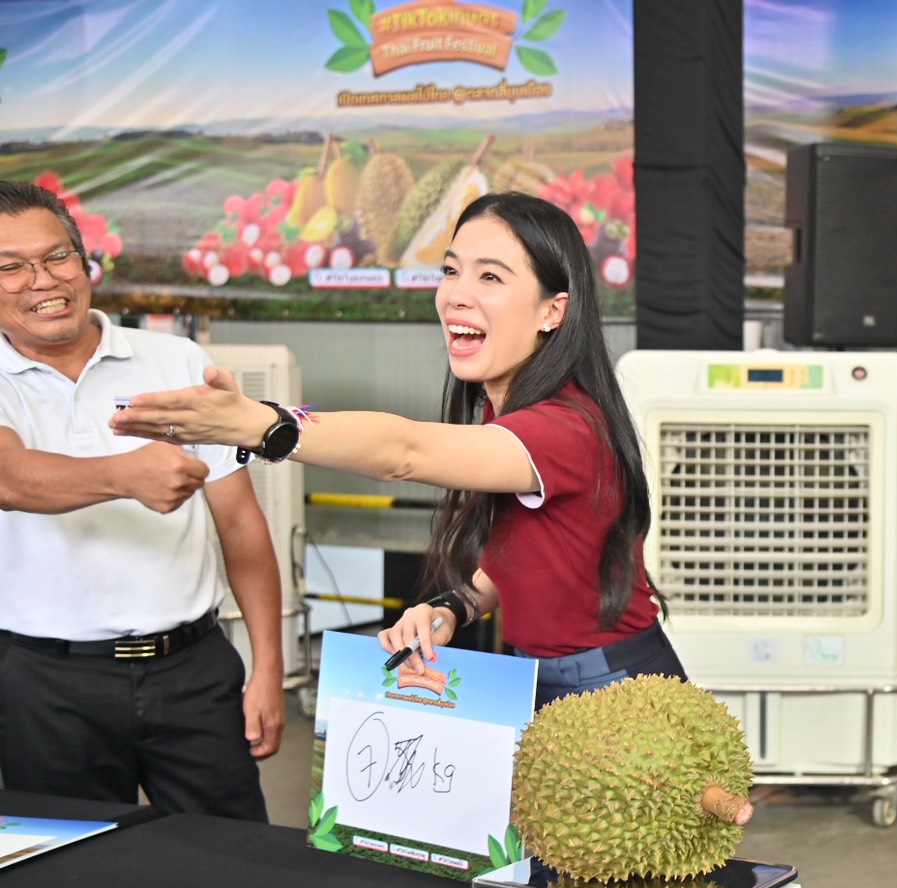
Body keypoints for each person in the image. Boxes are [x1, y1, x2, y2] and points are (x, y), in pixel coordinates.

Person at [112, 192, 683, 705]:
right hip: (538, 678)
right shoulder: (506, 411)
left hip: (614, 691)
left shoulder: (565, 428)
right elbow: (531, 558)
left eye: (490, 278)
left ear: (551, 311)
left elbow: (401, 450)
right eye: (451, 270)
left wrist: (263, 423)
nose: (457, 294)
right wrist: (452, 608)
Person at [0, 180, 284, 820]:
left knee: (234, 864)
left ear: (84, 262)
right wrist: (127, 474)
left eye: (56, 257)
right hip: (47, 685)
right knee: (69, 886)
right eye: (10, 268)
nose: (41, 281)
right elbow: (10, 477)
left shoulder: (176, 360)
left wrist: (268, 667)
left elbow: (240, 522)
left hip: (193, 672)